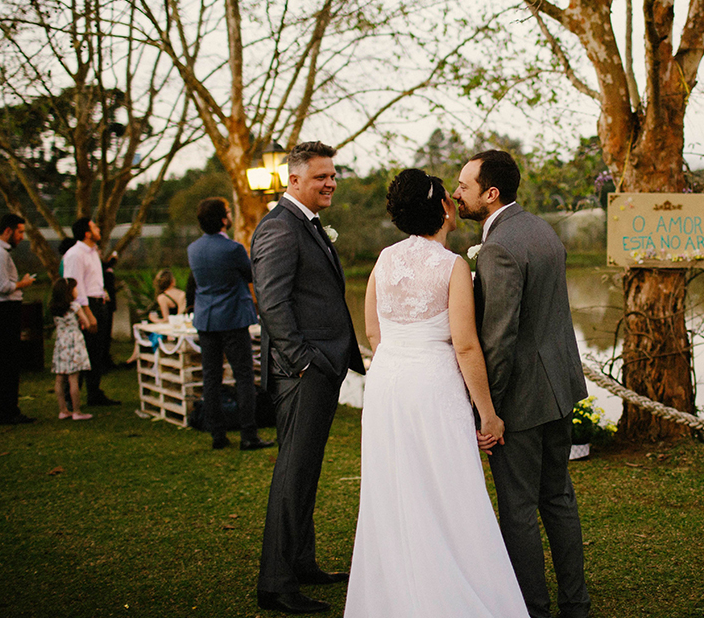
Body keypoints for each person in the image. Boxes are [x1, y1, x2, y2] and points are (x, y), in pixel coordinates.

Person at [343, 169, 528, 618]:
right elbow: (465, 345)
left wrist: (398, 367)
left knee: (395, 487)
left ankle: (396, 593)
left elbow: (373, 332)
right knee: (448, 486)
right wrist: (488, 413)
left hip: (387, 384)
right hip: (433, 384)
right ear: (443, 208)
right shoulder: (452, 266)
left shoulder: (383, 260)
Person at [453, 149, 591, 618]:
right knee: (558, 497)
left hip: (522, 401)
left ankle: (532, 607)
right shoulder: (541, 229)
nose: (457, 194)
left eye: (465, 187)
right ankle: (576, 603)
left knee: (517, 509)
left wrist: (485, 409)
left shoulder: (498, 247)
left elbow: (499, 338)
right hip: (560, 389)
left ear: (490, 194)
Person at [251, 141, 365, 615]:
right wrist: (302, 360)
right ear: (294, 180)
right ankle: (276, 583)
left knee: (307, 470)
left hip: (319, 367)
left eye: (332, 175)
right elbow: (272, 303)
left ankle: (301, 563)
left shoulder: (306, 224)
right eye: (321, 177)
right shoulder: (279, 227)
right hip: (302, 372)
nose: (331, 183)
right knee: (293, 474)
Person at [187, 197, 273, 452]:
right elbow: (251, 276)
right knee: (243, 376)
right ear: (224, 219)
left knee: (210, 378)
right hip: (233, 318)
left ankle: (217, 435)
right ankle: (248, 435)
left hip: (206, 319)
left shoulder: (193, 249)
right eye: (228, 212)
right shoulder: (233, 249)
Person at [0, 213, 37, 425]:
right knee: (7, 363)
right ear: (8, 230)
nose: (22, 236)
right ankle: (8, 410)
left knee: (0, 362)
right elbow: (2, 286)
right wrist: (23, 283)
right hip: (4, 310)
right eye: (20, 232)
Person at [62, 217, 119, 406]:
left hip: (99, 303)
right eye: (95, 226)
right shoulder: (75, 254)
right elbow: (74, 286)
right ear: (87, 233)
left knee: (97, 351)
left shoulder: (93, 253)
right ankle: (71, 397)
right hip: (87, 307)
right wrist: (87, 314)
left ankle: (94, 392)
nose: (98, 229)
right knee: (81, 351)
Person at [50, 277, 93, 421]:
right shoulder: (75, 307)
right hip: (74, 342)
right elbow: (87, 324)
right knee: (73, 378)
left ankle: (63, 410)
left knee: (60, 378)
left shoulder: (54, 308)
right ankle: (77, 411)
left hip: (61, 342)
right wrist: (82, 322)